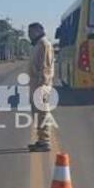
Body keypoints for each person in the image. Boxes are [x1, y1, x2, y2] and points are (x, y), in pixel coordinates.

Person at [27, 22, 54, 152]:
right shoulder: (38, 44)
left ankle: (45, 142)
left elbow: (45, 66)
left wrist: (41, 85)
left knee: (42, 114)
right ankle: (41, 140)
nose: (29, 35)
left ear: (38, 31)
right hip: (35, 84)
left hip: (41, 85)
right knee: (38, 115)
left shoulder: (44, 44)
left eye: (31, 32)